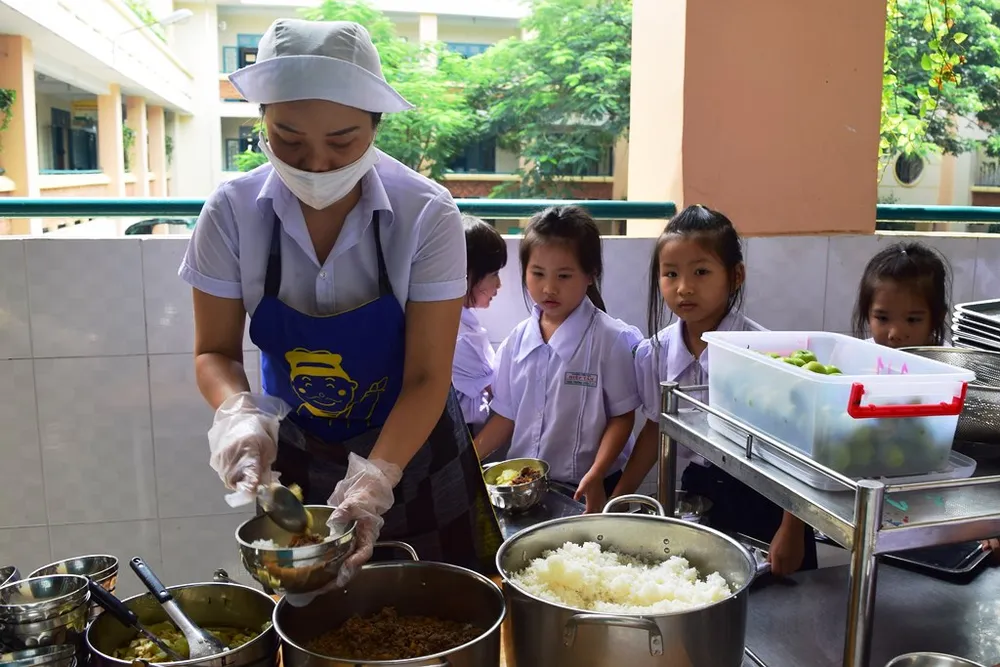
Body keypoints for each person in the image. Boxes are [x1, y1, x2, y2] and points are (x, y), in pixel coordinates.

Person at [180, 18, 502, 593]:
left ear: (375, 126)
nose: (317, 164)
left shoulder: (427, 214)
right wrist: (239, 416)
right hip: (298, 450)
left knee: (440, 614)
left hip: (417, 446)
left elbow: (428, 376)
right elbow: (214, 351)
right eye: (289, 139)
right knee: (316, 619)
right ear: (262, 123)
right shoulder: (231, 213)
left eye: (343, 141)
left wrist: (378, 477)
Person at [611, 205, 817, 575]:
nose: (684, 288)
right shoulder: (653, 353)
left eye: (701, 272)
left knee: (774, 613)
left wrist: (793, 527)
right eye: (670, 274)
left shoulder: (766, 355)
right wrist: (619, 499)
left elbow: (794, 449)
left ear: (736, 276)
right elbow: (657, 428)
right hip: (699, 497)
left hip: (765, 499)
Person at [473, 206, 643, 514]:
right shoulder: (516, 342)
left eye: (564, 276)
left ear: (591, 275)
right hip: (523, 489)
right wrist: (467, 465)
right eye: (537, 274)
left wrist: (596, 474)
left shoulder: (610, 339)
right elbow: (505, 417)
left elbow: (622, 418)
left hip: (588, 488)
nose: (549, 288)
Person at [453, 217, 506, 436]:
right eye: (494, 274)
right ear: (467, 274)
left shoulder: (460, 319)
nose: (499, 284)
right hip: (455, 433)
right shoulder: (460, 339)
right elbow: (498, 390)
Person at [852, 241, 950, 348]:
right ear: (867, 315)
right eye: (883, 318)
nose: (895, 334)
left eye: (912, 319)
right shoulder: (862, 356)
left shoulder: (947, 363)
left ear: (937, 319)